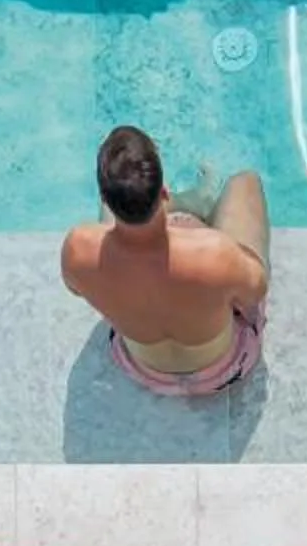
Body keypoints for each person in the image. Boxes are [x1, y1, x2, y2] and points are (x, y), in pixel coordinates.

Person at [62, 125, 270, 397]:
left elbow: (75, 288)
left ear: (105, 198)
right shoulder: (216, 254)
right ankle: (195, 205)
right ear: (163, 190)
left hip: (142, 369)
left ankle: (171, 208)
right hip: (222, 369)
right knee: (246, 182)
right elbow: (255, 291)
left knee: (138, 229)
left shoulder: (78, 250)